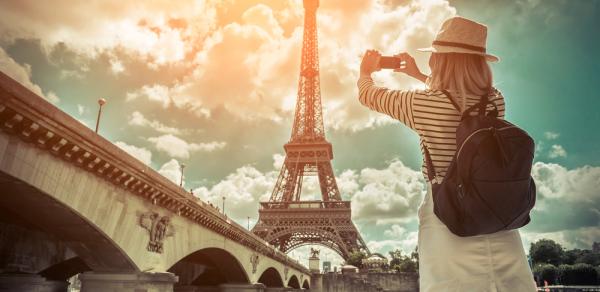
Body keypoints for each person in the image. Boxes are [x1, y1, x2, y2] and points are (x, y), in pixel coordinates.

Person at [358, 16, 537, 291]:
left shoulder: (419, 104)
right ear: (479, 62)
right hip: (497, 215)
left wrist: (365, 71)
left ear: (439, 60)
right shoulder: (495, 101)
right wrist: (419, 76)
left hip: (448, 213)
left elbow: (368, 95)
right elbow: (460, 95)